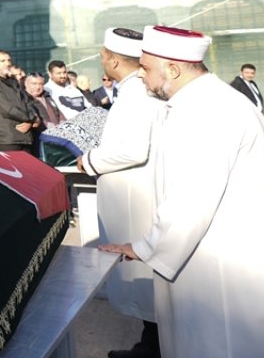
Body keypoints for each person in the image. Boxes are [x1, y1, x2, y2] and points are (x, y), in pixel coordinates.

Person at [101, 26, 264, 358]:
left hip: (221, 263)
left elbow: (190, 199)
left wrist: (144, 246)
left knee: (218, 343)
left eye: (147, 68)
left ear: (173, 69)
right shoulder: (214, 101)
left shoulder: (205, 112)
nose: (142, 75)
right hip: (228, 248)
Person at [76, 28, 164, 358]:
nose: (101, 62)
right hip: (135, 195)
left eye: (101, 57)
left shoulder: (137, 94)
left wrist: (89, 159)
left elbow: (134, 149)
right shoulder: (136, 90)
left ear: (113, 60)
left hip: (137, 199)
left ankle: (153, 348)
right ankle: (150, 343)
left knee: (145, 275)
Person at [0, 51, 40, 153]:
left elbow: (27, 102)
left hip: (25, 137)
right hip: (6, 138)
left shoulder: (13, 81)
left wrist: (32, 119)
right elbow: (6, 109)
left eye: (8, 60)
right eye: (2, 61)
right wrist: (32, 118)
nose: (7, 63)